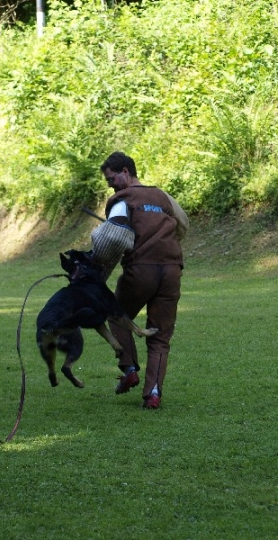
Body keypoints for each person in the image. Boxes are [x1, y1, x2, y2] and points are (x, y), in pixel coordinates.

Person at [98, 151, 188, 409]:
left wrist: (99, 271)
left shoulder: (121, 200)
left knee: (116, 315)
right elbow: (183, 223)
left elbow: (113, 238)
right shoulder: (162, 196)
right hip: (171, 271)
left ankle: (129, 370)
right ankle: (154, 393)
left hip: (141, 271)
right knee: (160, 337)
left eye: (111, 178)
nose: (110, 184)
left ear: (125, 172)